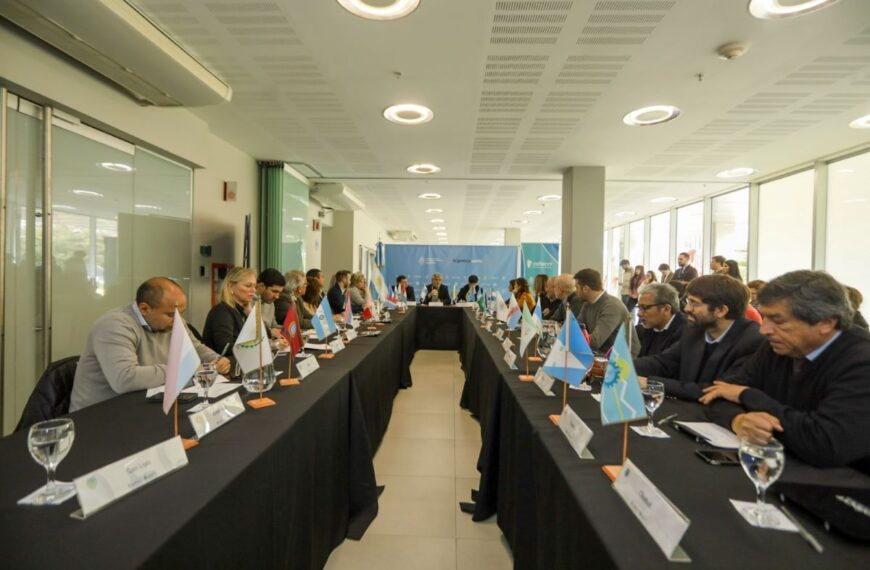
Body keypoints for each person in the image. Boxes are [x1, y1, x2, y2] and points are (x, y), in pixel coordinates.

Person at [701, 271, 870, 472]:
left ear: (825, 323)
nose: (764, 330)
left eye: (777, 320)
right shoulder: (778, 346)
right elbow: (718, 393)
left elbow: (824, 443)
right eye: (765, 318)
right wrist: (738, 420)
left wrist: (748, 396)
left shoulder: (861, 361)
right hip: (777, 468)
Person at [70, 277, 231, 411]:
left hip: (146, 402)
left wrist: (216, 360)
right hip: (101, 414)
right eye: (170, 314)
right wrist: (184, 370)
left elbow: (194, 348)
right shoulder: (114, 325)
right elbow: (125, 379)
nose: (178, 320)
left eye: (181, 313)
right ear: (145, 309)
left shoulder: (173, 321)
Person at [634, 274, 765, 400]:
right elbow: (663, 363)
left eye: (694, 303)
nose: (686, 308)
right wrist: (620, 367)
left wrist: (650, 383)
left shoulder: (752, 341)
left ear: (721, 311)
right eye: (687, 301)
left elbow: (715, 391)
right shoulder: (694, 330)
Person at [574, 269, 640, 356]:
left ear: (586, 289)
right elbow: (575, 328)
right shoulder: (587, 303)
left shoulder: (612, 306)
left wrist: (569, 338)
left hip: (623, 361)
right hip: (601, 354)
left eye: (577, 288)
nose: (575, 291)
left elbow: (594, 342)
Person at [202, 267, 258, 367]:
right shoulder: (222, 311)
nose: (253, 290)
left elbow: (264, 335)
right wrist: (256, 347)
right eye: (248, 286)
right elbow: (225, 347)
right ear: (231, 286)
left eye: (254, 286)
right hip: (222, 370)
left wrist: (251, 314)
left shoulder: (242, 310)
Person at [635, 283, 686, 358]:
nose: (639, 314)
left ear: (666, 309)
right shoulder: (644, 329)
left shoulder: (685, 332)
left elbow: (666, 365)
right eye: (639, 308)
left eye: (645, 308)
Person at [255, 268, 286, 338]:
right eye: (274, 291)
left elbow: (274, 326)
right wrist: (270, 332)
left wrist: (288, 329)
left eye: (279, 292)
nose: (277, 297)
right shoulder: (248, 303)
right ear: (261, 286)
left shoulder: (270, 302)